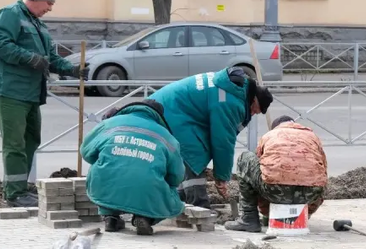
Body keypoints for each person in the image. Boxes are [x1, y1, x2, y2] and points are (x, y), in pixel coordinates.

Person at [0, 0, 85, 207]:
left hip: (30, 92)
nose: (50, 8)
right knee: (15, 143)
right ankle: (14, 193)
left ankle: (20, 186)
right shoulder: (10, 14)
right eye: (49, 3)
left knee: (31, 139)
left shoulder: (38, 24)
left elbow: (50, 58)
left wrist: (73, 70)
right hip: (10, 89)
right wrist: (30, 59)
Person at [150, 66, 273, 209]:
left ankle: (174, 202)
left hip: (169, 109)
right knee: (194, 157)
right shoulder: (230, 101)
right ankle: (199, 207)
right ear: (253, 100)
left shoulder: (232, 88)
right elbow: (223, 141)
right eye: (253, 111)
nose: (252, 114)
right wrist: (221, 177)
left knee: (189, 159)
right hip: (169, 114)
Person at [81, 99, 185, 236]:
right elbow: (176, 177)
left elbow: (86, 153)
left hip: (104, 187)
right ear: (159, 117)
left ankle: (110, 218)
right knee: (176, 202)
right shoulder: (167, 137)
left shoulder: (109, 124)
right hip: (147, 189)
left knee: (101, 170)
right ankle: (146, 217)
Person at [225, 116, 328, 232]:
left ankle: (249, 218)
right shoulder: (313, 137)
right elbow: (323, 171)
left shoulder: (269, 136)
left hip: (274, 190)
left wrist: (266, 212)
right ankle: (302, 215)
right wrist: (306, 212)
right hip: (311, 193)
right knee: (320, 174)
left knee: (245, 159)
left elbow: (261, 173)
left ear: (275, 127)